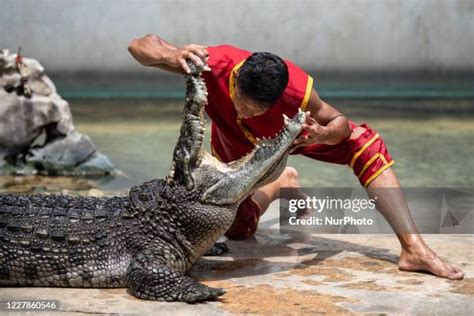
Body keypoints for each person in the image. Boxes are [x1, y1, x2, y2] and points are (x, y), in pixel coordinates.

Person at [128, 34, 464, 280]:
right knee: (238, 230)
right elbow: (140, 45)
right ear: (235, 82)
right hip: (233, 145)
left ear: (277, 100)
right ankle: (282, 182)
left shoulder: (297, 91)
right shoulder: (213, 63)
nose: (243, 112)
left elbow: (340, 123)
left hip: (294, 135)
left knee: (367, 142)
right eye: (239, 103)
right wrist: (172, 55)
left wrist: (323, 135)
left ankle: (413, 248)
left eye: (252, 109)